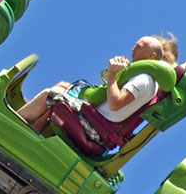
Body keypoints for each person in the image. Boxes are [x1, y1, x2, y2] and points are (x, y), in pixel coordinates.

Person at [15, 36, 167, 139]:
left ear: (151, 56)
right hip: (94, 119)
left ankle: (13, 124)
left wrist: (113, 74)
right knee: (62, 87)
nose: (132, 49)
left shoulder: (144, 79)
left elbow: (115, 104)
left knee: (49, 95)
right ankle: (30, 134)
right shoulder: (144, 76)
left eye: (138, 47)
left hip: (97, 127)